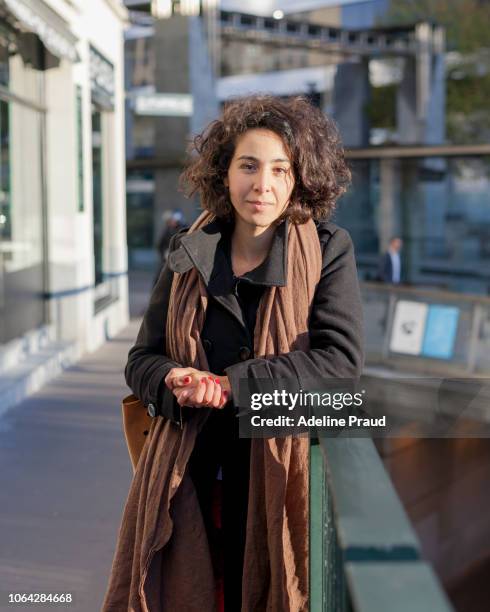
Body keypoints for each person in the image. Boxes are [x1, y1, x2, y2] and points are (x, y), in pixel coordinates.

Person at [103, 95, 364, 612]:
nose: (261, 184)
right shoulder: (188, 247)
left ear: (299, 179)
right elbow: (142, 358)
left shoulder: (329, 247)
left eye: (279, 169)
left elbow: (340, 363)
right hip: (190, 477)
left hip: (279, 473)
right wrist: (173, 378)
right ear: (225, 172)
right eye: (248, 165)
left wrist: (230, 386)